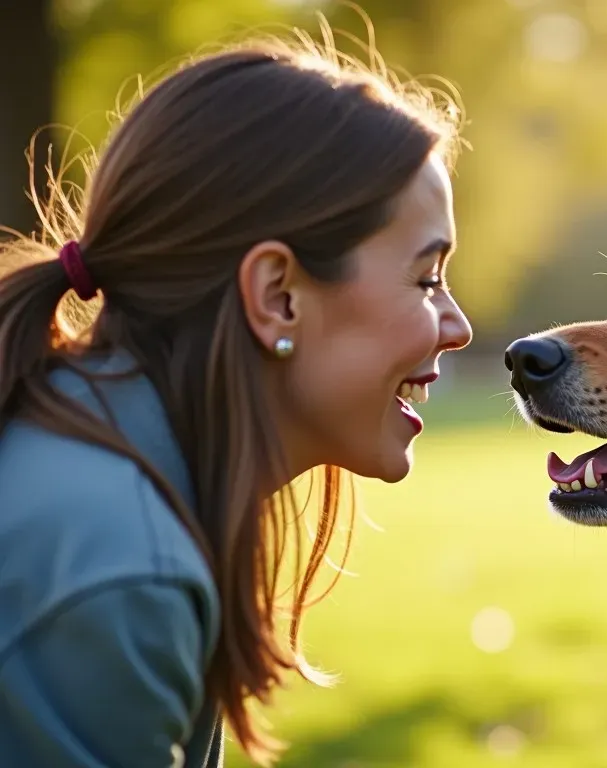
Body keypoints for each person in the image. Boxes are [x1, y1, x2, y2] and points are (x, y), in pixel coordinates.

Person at [0, 30, 472, 768]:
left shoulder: (100, 469)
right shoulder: (120, 570)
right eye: (426, 278)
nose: (458, 327)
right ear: (277, 296)